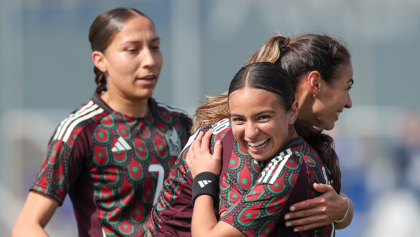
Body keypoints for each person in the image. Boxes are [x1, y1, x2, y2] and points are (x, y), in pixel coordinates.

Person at [145, 34, 354, 236]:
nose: (348, 102)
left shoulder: (279, 141)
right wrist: (204, 179)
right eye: (346, 87)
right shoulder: (249, 144)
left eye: (263, 117)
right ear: (315, 83)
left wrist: (344, 209)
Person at [12, 8, 191, 237]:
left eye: (155, 47)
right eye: (133, 50)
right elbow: (26, 226)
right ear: (101, 61)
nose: (149, 60)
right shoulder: (81, 130)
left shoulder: (180, 124)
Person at [187, 62, 339, 236]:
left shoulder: (290, 168)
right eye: (239, 120)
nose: (250, 133)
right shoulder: (294, 155)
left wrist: (203, 178)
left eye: (263, 117)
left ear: (292, 112)